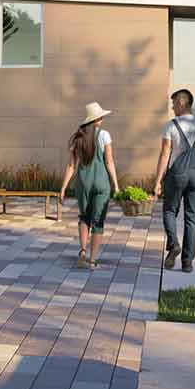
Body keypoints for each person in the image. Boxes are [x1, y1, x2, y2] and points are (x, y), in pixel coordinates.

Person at [153, 88, 195, 272]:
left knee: (169, 211)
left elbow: (165, 154)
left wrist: (158, 181)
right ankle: (187, 262)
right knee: (193, 219)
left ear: (182, 103)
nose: (172, 108)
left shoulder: (170, 126)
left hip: (176, 175)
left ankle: (174, 244)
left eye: (174, 103)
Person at [59, 102, 120, 269]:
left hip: (82, 183)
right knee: (98, 221)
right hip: (101, 183)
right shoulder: (104, 135)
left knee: (84, 217)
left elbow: (71, 165)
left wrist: (63, 188)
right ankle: (92, 260)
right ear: (98, 119)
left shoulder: (78, 137)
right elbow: (109, 161)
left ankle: (83, 251)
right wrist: (115, 183)